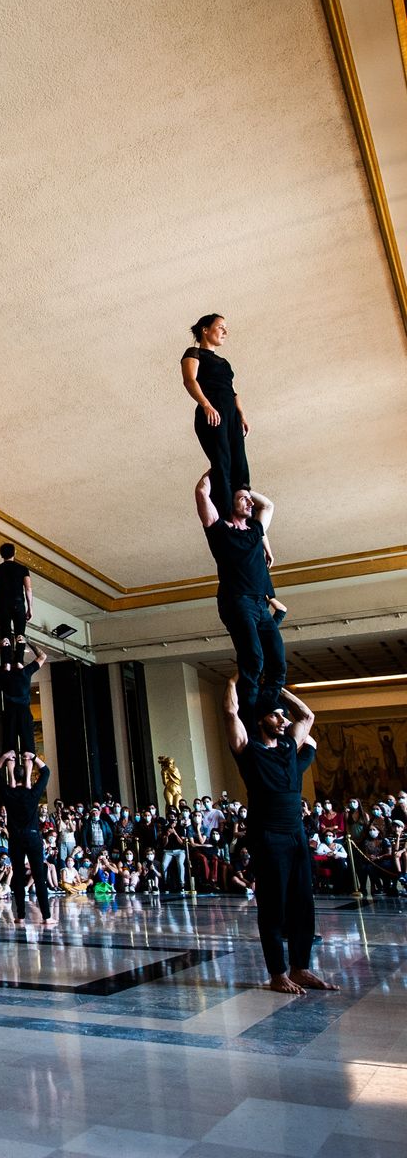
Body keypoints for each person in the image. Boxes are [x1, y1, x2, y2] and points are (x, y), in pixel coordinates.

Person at [224, 676, 338, 995]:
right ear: (262, 719)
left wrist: (278, 689)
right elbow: (231, 713)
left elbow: (307, 717)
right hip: (268, 835)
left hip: (296, 834)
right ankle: (277, 973)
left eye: (281, 715)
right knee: (273, 907)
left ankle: (300, 968)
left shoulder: (289, 745)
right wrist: (234, 680)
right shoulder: (248, 750)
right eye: (276, 715)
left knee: (303, 903)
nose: (282, 720)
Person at [196, 474, 286, 717]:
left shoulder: (256, 529)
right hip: (237, 601)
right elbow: (202, 493)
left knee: (277, 663)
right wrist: (217, 470)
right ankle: (248, 715)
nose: (249, 503)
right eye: (243, 500)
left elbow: (267, 505)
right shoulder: (219, 530)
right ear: (230, 505)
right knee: (253, 659)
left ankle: (265, 709)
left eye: (249, 499)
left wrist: (243, 489)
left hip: (260, 603)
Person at [181, 314, 250, 518]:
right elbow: (189, 380)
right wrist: (206, 405)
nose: (225, 332)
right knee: (222, 461)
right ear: (205, 329)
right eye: (220, 327)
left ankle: (243, 508)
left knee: (240, 461)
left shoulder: (225, 363)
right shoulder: (194, 353)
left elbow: (233, 391)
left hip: (231, 415)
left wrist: (242, 416)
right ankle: (226, 515)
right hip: (212, 412)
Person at [0, 754, 54, 924]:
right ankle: (47, 917)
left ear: (12, 774)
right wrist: (33, 758)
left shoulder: (8, 794)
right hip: (33, 836)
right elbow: (46, 772)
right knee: (39, 875)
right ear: (26, 775)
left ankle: (20, 915)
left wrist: (5, 758)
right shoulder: (33, 794)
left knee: (19, 876)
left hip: (16, 839)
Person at [0, 637, 46, 761]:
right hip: (23, 712)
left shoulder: (3, 673)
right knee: (28, 750)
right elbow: (43, 656)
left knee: (9, 750)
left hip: (9, 712)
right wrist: (29, 641)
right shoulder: (25, 672)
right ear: (20, 661)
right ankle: (25, 777)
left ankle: (13, 779)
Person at [0, 544, 32, 663]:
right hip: (18, 603)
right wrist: (30, 608)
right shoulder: (23, 569)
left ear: (1, 554)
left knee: (5, 635)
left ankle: (6, 663)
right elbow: (28, 589)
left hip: (3, 604)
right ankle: (19, 661)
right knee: (20, 634)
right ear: (14, 552)